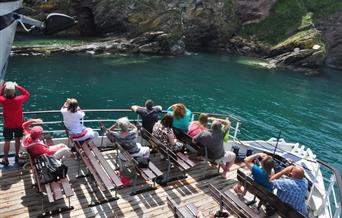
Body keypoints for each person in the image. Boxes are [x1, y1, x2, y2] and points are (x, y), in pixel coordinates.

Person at [0, 81, 30, 166]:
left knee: (7, 142)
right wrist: (18, 86)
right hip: (18, 125)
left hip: (7, 126)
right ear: (14, 92)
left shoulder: (3, 100)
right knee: (18, 140)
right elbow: (27, 94)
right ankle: (16, 156)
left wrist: (3, 87)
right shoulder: (19, 99)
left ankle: (5, 159)